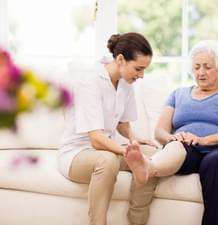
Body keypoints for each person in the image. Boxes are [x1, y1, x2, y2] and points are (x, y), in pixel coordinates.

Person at [125, 40, 218, 225]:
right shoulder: (178, 94)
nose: (200, 72)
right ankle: (149, 168)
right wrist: (172, 137)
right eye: (196, 67)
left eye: (207, 67)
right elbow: (160, 131)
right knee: (175, 146)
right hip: (190, 150)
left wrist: (204, 140)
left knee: (214, 162)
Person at [58, 32, 158, 225]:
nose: (142, 75)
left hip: (107, 147)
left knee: (152, 156)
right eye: (138, 68)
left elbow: (123, 124)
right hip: (77, 153)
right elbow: (95, 138)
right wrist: (129, 152)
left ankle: (137, 221)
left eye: (144, 70)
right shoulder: (90, 81)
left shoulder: (126, 82)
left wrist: (133, 139)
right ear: (120, 59)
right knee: (108, 160)